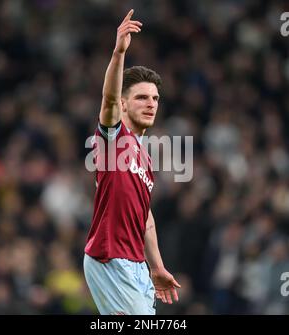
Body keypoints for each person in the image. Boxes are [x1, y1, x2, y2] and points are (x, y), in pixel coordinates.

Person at [83, 9, 181, 315]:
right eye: (141, 97)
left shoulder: (145, 157)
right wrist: (118, 52)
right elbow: (109, 100)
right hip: (109, 257)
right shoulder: (114, 138)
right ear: (125, 104)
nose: (151, 103)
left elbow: (146, 218)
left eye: (155, 99)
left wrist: (158, 266)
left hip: (137, 264)